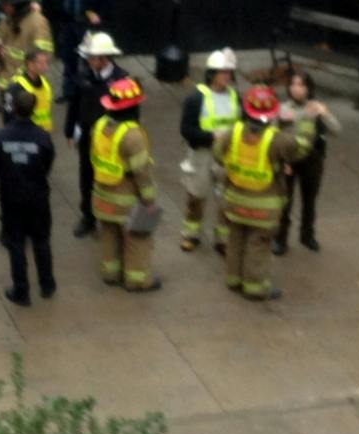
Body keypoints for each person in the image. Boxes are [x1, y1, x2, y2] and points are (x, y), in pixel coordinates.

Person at [215, 85, 316, 302]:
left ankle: (233, 279)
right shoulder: (278, 140)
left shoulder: (233, 133)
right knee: (258, 246)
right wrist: (307, 120)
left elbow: (218, 155)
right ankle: (254, 287)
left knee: (235, 240)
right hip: (264, 207)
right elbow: (303, 147)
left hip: (234, 202)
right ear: (272, 113)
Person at [90, 77, 163, 292]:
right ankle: (137, 280)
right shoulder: (133, 136)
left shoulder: (99, 125)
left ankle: (110, 273)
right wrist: (149, 199)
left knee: (109, 234)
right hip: (126, 199)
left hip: (101, 194)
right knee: (137, 239)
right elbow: (142, 173)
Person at [0, 88, 55, 306]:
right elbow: (47, 164)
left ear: (14, 108)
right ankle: (47, 285)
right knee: (41, 240)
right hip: (37, 196)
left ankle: (21, 290)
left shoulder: (1, 137)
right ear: (34, 109)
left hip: (11, 196)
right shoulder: (42, 137)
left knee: (16, 243)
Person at [64, 31, 126, 238]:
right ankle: (88, 217)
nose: (88, 61)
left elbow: (130, 113)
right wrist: (69, 130)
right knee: (86, 177)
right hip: (88, 137)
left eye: (92, 58)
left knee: (111, 179)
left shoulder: (121, 80)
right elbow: (74, 104)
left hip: (111, 141)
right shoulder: (84, 76)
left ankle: (111, 217)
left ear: (104, 58)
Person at [179, 49, 240, 253]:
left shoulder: (235, 97)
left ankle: (223, 239)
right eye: (223, 72)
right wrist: (211, 136)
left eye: (229, 72)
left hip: (227, 157)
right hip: (202, 155)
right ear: (212, 73)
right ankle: (191, 235)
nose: (227, 76)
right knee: (196, 197)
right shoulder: (196, 99)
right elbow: (186, 130)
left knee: (226, 200)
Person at [276, 70, 339, 255]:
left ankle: (307, 235)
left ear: (309, 88)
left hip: (311, 160)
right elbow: (273, 133)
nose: (297, 89)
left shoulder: (316, 108)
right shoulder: (283, 108)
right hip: (288, 161)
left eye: (301, 85)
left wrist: (324, 113)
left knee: (309, 201)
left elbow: (336, 129)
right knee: (284, 202)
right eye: (293, 84)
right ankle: (280, 239)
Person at [0, 0, 55, 93]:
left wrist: (26, 75)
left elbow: (43, 55)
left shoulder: (38, 23)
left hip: (27, 87)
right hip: (7, 84)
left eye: (6, 5)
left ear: (16, 5)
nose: (3, 8)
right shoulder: (7, 20)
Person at [3, 45, 54, 134]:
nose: (46, 67)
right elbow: (8, 116)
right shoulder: (16, 87)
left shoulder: (45, 83)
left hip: (43, 134)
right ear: (30, 65)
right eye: (41, 64)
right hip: (24, 134)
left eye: (46, 63)